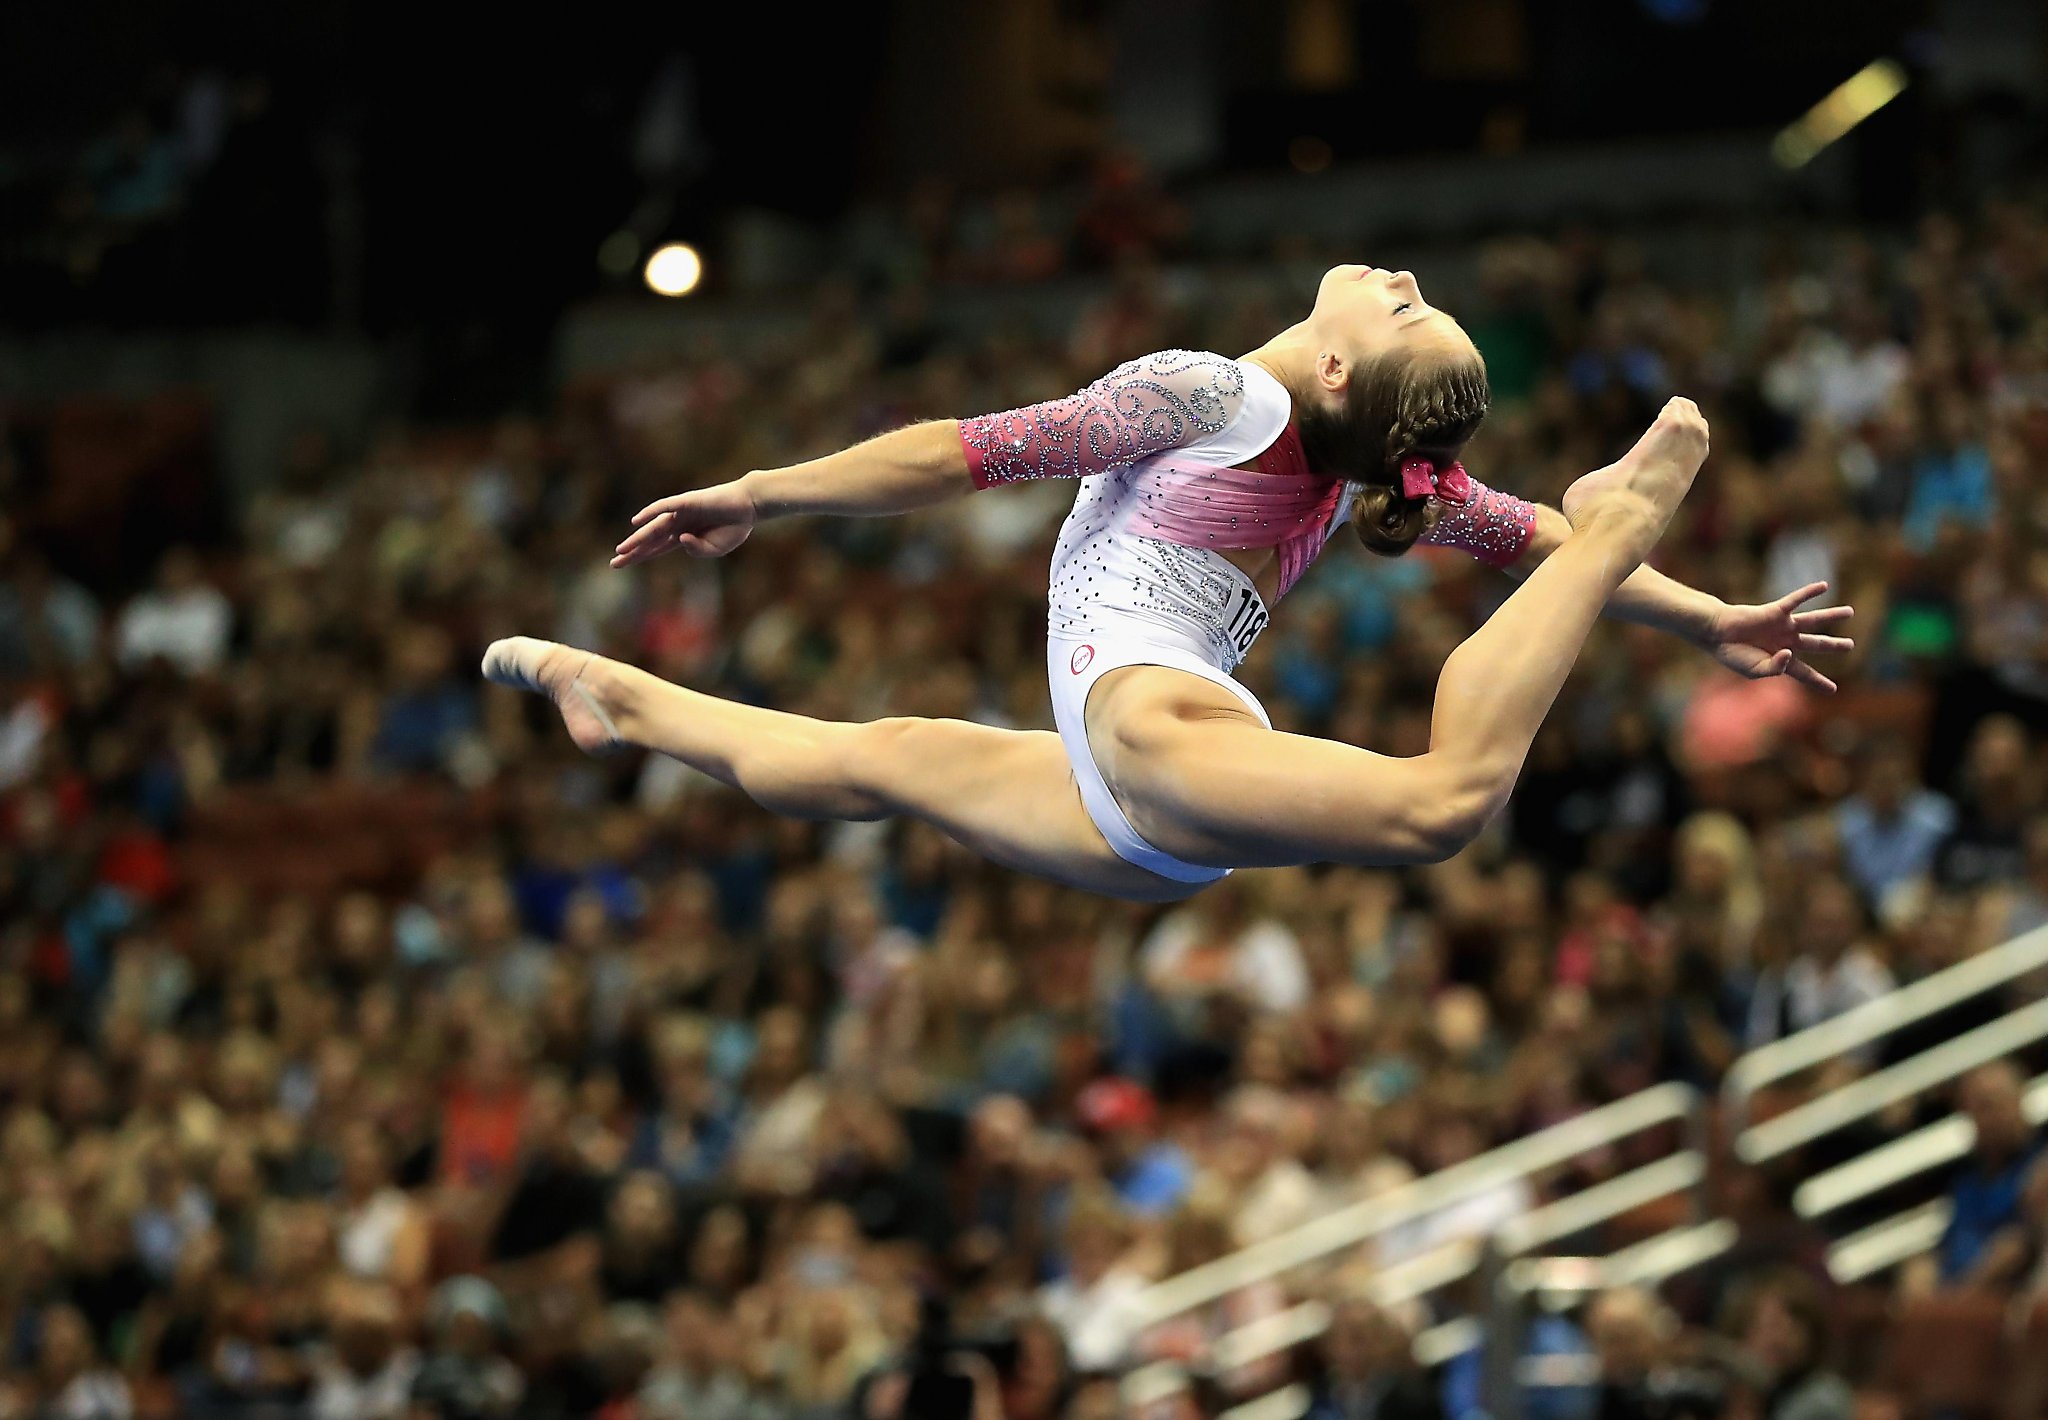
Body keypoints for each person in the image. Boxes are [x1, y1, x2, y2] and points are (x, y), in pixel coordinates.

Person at [486, 266, 1851, 900]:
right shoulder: (1384, 465)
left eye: (1406, 305)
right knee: (877, 760)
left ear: (1334, 368)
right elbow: (1527, 542)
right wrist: (1709, 616)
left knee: (1442, 803)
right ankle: (599, 682)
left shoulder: (1209, 396)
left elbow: (964, 456)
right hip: (1126, 808)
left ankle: (1635, 514)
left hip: (1151, 735)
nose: (1404, 275)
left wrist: (765, 493)